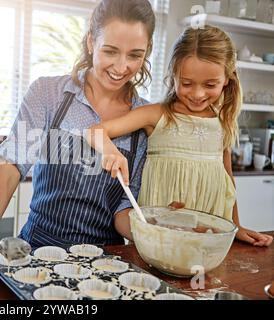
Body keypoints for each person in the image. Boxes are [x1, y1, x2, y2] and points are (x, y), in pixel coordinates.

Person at [0, 0, 158, 260]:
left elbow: (125, 208)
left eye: (135, 55)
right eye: (110, 51)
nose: (120, 67)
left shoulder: (145, 119)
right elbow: (11, 165)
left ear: (147, 51)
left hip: (105, 262)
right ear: (91, 42)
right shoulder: (48, 94)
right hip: (37, 252)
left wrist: (158, 230)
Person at [87, 25, 272, 247]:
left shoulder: (223, 121)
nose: (197, 94)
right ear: (173, 76)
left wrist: (236, 226)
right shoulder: (157, 115)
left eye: (210, 84)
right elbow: (95, 131)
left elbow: (227, 183)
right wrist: (110, 152)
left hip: (208, 234)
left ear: (227, 79)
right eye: (186, 83)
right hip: (160, 235)